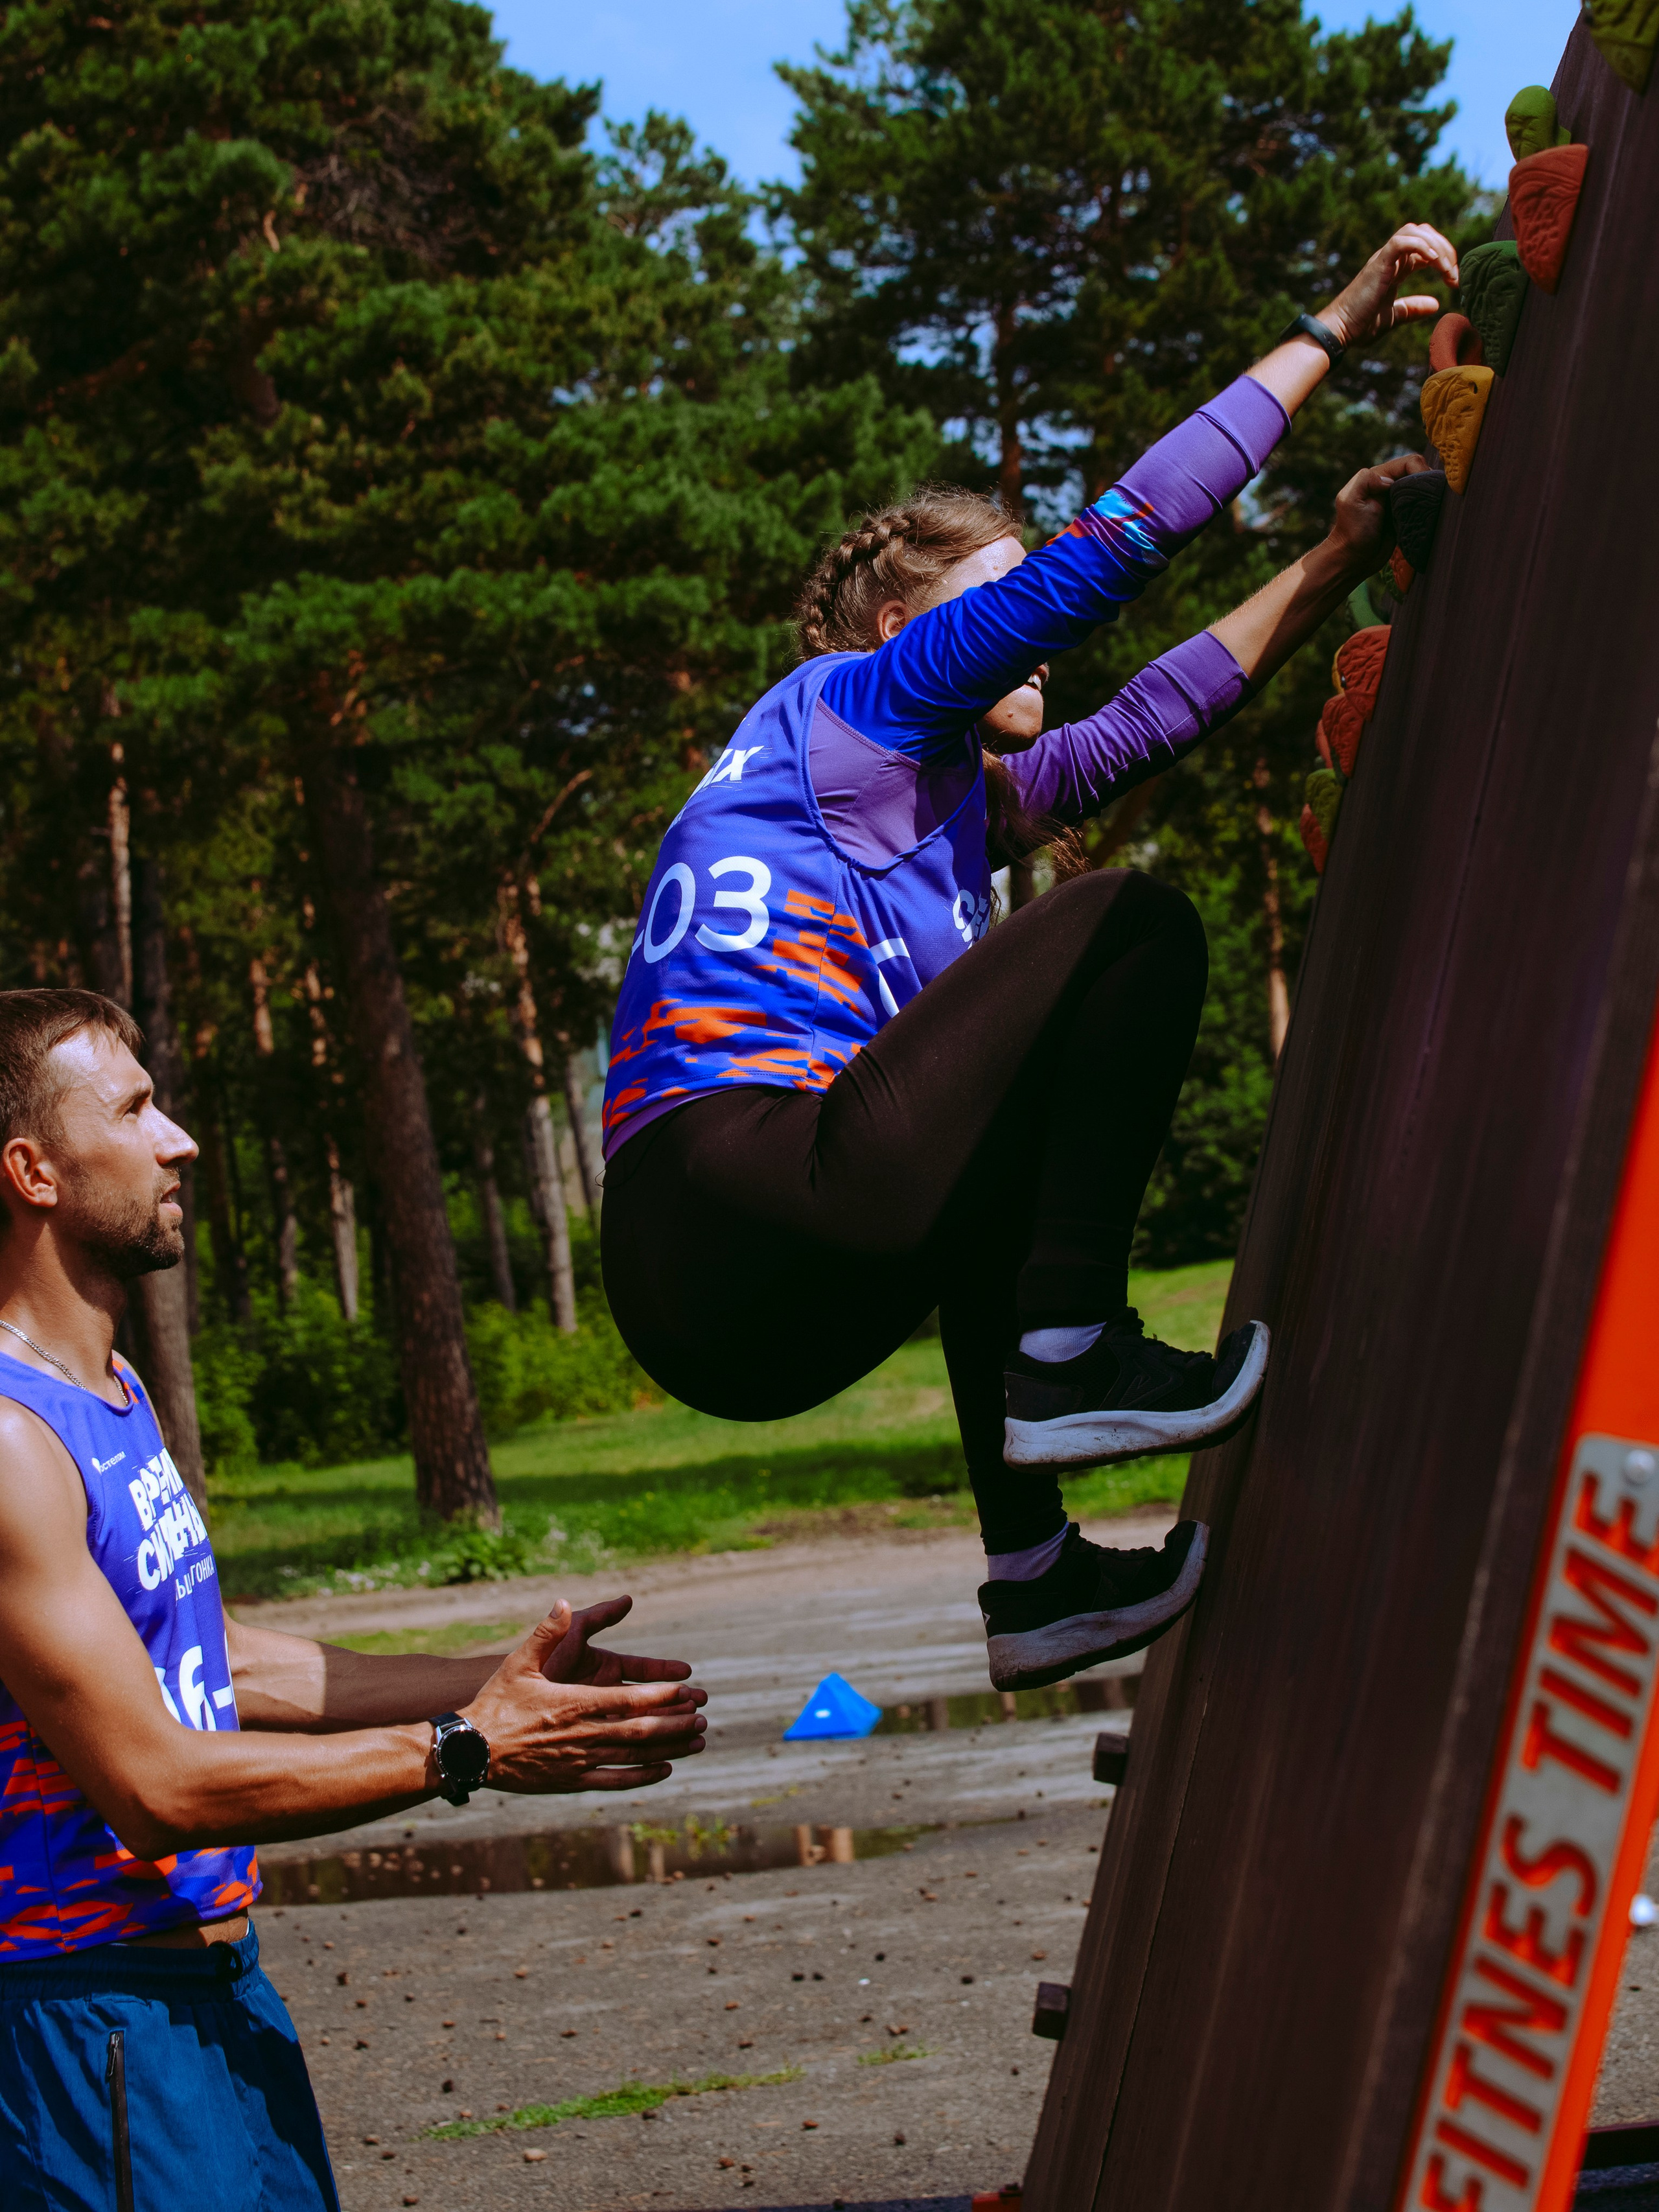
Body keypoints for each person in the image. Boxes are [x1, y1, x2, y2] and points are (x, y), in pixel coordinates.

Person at [599, 224, 1456, 1694]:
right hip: (738, 1186)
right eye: (995, 604)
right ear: (901, 623)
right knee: (1128, 921)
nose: (1029, 648)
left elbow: (1144, 723)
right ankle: (1072, 1347)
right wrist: (1331, 325)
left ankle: (1036, 1580)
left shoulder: (929, 802)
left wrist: (1332, 561)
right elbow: (1120, 545)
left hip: (722, 1304)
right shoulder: (863, 701)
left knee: (989, 1140)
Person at [0, 990, 706, 2212]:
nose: (181, 1139)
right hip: (88, 2019)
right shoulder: (10, 1442)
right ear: (34, 1171)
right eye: (134, 1108)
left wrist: (498, 1683)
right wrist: (470, 1745)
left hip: (218, 2000)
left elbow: (206, 1657)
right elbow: (155, 1782)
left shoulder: (107, 1389)